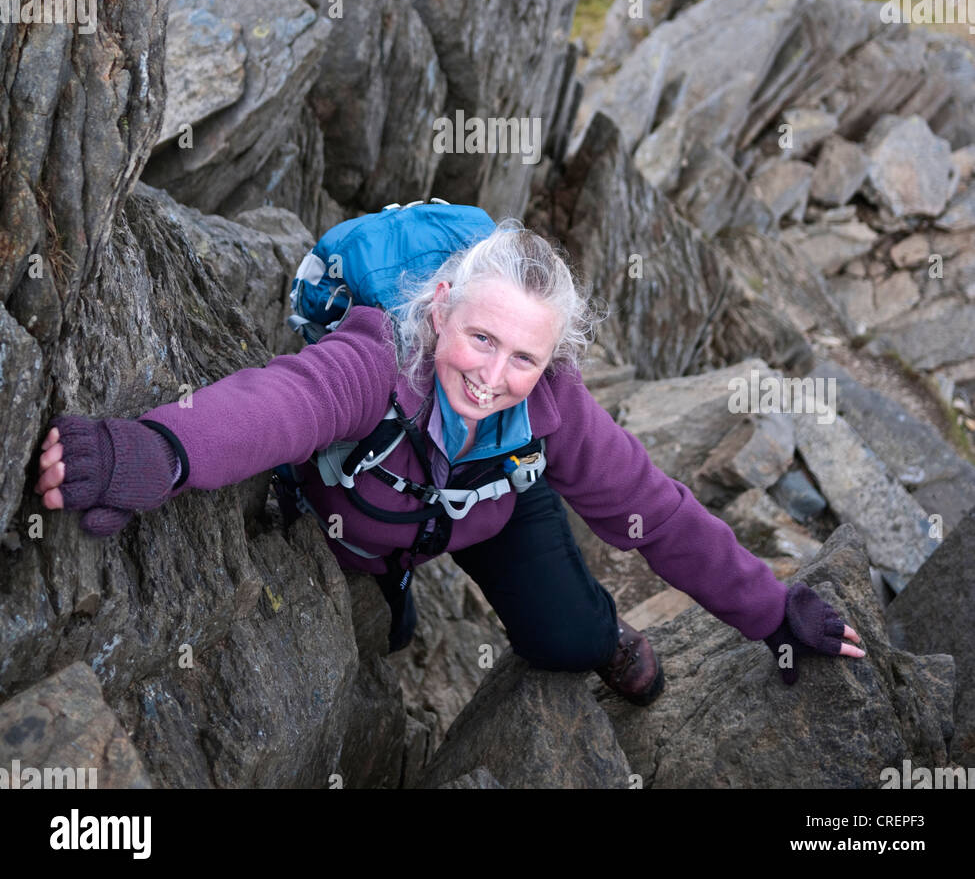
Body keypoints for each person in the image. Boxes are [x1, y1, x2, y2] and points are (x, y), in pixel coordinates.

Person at [34, 219, 866, 706]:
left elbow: (657, 510)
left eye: (523, 359)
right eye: (480, 338)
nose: (492, 377)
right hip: (365, 517)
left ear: (554, 362)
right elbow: (278, 404)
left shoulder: (553, 409)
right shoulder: (376, 358)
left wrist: (772, 611)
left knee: (567, 638)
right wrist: (156, 451)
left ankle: (600, 632)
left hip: (492, 508)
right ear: (439, 311)